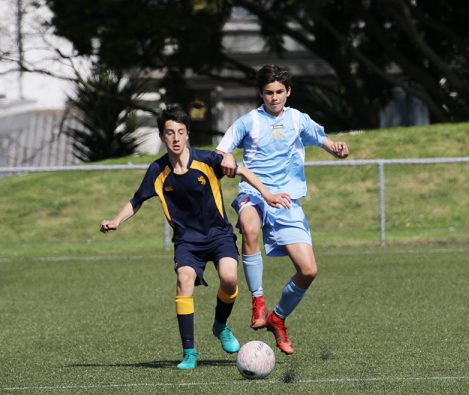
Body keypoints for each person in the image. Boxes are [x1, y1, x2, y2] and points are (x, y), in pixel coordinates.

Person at [100, 105, 291, 370]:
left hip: (218, 235)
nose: (175, 138)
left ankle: (220, 326)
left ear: (187, 133)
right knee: (184, 278)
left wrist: (268, 195)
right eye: (169, 133)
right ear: (162, 136)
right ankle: (189, 353)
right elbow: (137, 200)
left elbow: (244, 171)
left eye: (180, 132)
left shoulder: (207, 160)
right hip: (187, 242)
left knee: (229, 278)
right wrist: (116, 220)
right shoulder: (157, 171)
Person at [216, 64, 349, 355]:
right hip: (253, 193)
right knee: (249, 227)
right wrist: (225, 157)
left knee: (309, 270)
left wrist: (335, 148)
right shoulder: (249, 121)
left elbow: (322, 140)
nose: (274, 97)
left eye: (279, 92)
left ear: (288, 92)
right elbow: (221, 149)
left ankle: (277, 318)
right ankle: (258, 303)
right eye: (268, 93)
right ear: (260, 94)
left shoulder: (299, 119)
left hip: (287, 200)